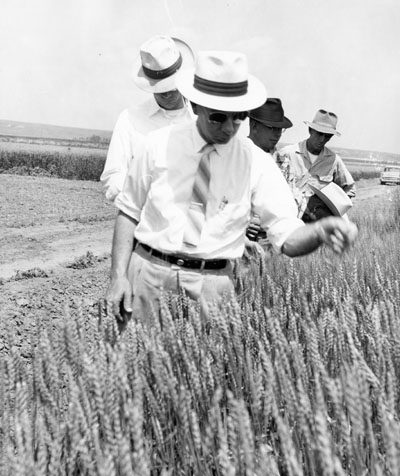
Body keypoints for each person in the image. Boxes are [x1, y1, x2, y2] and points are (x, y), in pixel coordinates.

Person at [105, 51, 358, 324]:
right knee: (138, 363)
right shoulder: (156, 144)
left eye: (238, 117)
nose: (229, 128)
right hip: (148, 276)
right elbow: (129, 213)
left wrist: (318, 231)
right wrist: (118, 276)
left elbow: (286, 236)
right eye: (218, 117)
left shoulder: (257, 163)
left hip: (213, 287)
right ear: (197, 105)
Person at [100, 35, 194, 201]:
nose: (166, 92)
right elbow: (114, 174)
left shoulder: (200, 119)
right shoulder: (129, 119)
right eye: (160, 87)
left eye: (171, 85)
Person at [279, 109, 356, 222]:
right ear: (310, 130)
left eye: (327, 136)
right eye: (319, 134)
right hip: (290, 220)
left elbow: (349, 188)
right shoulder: (287, 154)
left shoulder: (333, 160)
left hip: (318, 224)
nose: (322, 139)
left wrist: (334, 208)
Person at [246, 98, 305, 244]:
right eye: (272, 128)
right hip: (240, 240)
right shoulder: (237, 156)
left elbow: (294, 200)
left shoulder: (283, 162)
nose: (277, 134)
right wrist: (243, 221)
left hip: (273, 239)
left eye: (280, 129)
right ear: (254, 125)